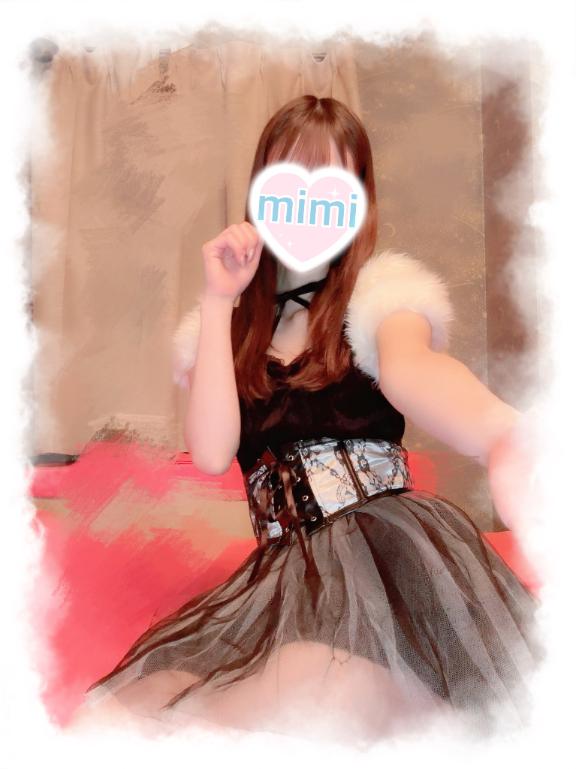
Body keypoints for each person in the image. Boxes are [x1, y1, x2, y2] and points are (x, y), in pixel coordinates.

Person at [70, 95, 544, 746]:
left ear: (360, 200)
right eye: (289, 179)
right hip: (283, 574)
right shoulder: (229, 328)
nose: (307, 202)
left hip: (385, 559)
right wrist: (218, 300)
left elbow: (413, 371)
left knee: (304, 698)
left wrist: (501, 430)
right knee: (118, 715)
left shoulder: (382, 296)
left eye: (332, 183)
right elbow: (211, 452)